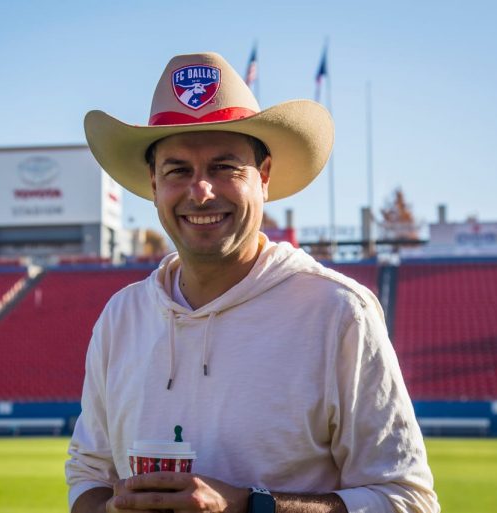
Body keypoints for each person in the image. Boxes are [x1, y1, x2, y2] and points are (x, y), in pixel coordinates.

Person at [66, 52, 439, 513]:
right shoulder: (122, 317)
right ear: (153, 183)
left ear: (263, 178)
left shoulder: (338, 312)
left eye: (225, 166)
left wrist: (249, 506)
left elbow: (406, 500)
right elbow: (88, 476)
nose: (200, 191)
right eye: (178, 170)